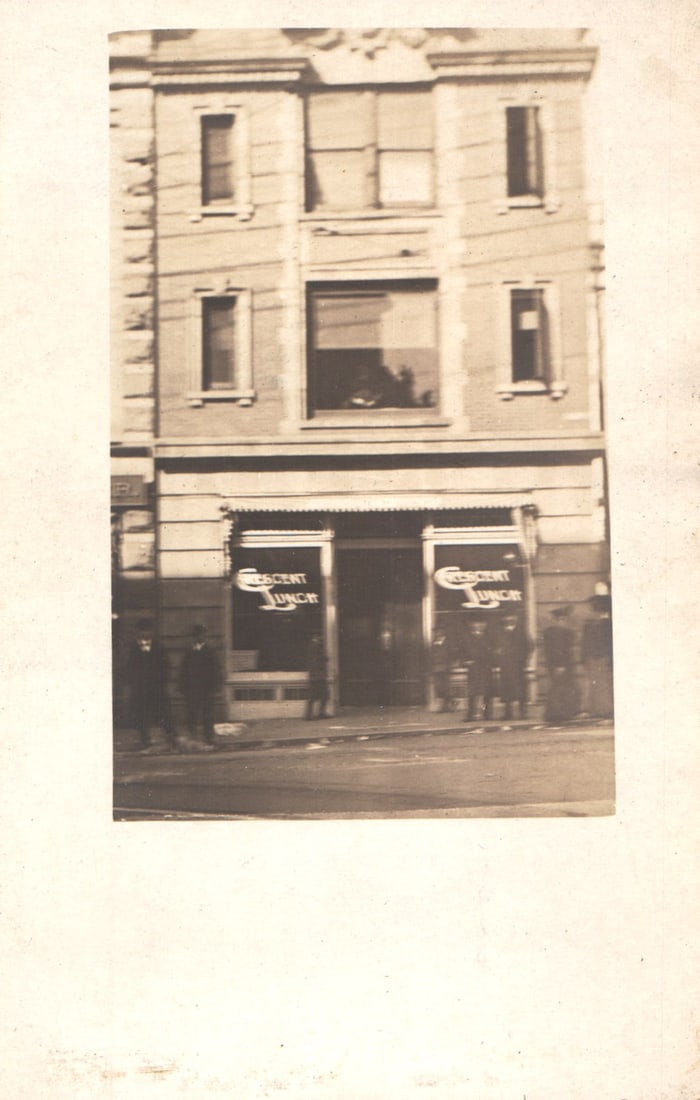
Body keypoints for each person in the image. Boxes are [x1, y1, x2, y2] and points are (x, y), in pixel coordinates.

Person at [125, 619, 176, 751]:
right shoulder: (133, 649)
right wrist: (133, 682)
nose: (145, 634)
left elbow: (166, 666)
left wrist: (162, 680)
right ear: (138, 633)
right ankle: (144, 740)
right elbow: (128, 668)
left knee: (164, 714)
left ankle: (172, 739)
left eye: (147, 630)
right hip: (140, 689)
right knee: (141, 715)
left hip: (157, 688)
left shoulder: (159, 647)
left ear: (151, 632)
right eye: (142, 631)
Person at [179, 624, 222, 746]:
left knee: (208, 713)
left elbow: (216, 669)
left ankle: (209, 737)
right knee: (192, 712)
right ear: (194, 636)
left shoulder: (210, 650)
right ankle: (192, 734)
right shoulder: (190, 651)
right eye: (197, 634)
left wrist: (216, 686)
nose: (200, 636)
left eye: (202, 634)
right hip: (193, 688)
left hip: (206, 688)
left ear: (205, 635)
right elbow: (184, 669)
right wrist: (183, 686)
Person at [542, 606, 579, 724]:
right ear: (556, 620)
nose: (563, 622)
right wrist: (560, 665)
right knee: (559, 689)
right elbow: (557, 650)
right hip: (560, 665)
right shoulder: (556, 633)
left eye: (564, 619)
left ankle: (562, 713)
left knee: (562, 688)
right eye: (561, 619)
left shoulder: (558, 632)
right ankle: (557, 714)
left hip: (562, 664)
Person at [492, 612, 532, 720]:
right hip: (505, 665)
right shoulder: (499, 631)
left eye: (511, 617)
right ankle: (508, 713)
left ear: (515, 618)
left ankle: (523, 712)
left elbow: (529, 647)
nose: (508, 619)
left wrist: (522, 659)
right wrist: (497, 654)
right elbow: (493, 646)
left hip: (518, 665)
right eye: (506, 617)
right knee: (506, 689)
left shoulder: (521, 631)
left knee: (521, 689)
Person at [581, 593, 614, 719]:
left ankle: (604, 710)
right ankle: (598, 709)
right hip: (595, 659)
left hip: (601, 659)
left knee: (602, 685)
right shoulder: (591, 625)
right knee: (597, 685)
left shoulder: (607, 625)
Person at [463, 616, 494, 722]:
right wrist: (465, 661)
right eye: (475, 624)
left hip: (485, 668)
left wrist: (491, 662)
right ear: (471, 626)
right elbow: (461, 652)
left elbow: (492, 652)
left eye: (481, 624)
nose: (478, 627)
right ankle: (470, 715)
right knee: (472, 693)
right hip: (473, 669)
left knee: (487, 693)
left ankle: (487, 714)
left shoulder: (489, 637)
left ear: (484, 626)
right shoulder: (467, 638)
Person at [305, 630, 328, 720]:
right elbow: (318, 660)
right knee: (315, 695)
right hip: (317, 675)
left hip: (317, 675)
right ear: (316, 636)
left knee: (323, 694)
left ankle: (318, 713)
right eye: (320, 636)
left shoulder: (315, 646)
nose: (322, 638)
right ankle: (310, 715)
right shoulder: (315, 647)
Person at [430, 628, 451, 713]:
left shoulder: (447, 644)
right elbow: (430, 657)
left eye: (439, 633)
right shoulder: (434, 644)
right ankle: (443, 706)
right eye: (436, 633)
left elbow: (450, 656)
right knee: (438, 688)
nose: (437, 635)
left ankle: (446, 706)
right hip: (436, 669)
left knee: (445, 688)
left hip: (445, 668)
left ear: (443, 634)